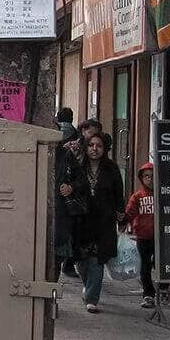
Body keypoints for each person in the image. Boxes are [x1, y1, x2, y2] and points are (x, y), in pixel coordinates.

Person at [68, 132, 125, 313]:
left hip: (103, 221)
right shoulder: (78, 167)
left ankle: (92, 299)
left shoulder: (111, 168)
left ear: (104, 149)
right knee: (81, 261)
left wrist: (121, 213)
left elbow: (118, 193)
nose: (95, 149)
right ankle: (88, 286)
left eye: (99, 146)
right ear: (86, 148)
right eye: (91, 145)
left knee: (96, 259)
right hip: (81, 221)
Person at [124, 161, 166, 308]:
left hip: (161, 236)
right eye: (146, 176)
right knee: (145, 266)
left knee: (162, 264)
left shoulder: (163, 195)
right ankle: (148, 294)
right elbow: (129, 213)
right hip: (143, 236)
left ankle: (164, 289)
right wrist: (122, 220)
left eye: (152, 176)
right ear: (141, 178)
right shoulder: (137, 197)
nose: (149, 179)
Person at [53, 108, 80, 281]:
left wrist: (70, 187)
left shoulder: (64, 154)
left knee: (56, 249)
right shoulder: (38, 151)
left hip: (59, 208)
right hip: (59, 206)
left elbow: (79, 179)